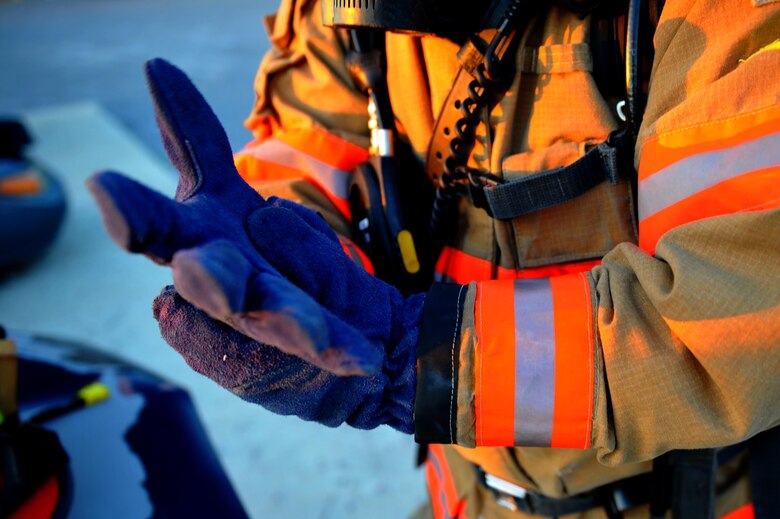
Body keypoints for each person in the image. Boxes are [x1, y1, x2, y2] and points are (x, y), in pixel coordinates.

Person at [87, 0, 780, 517]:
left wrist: (423, 360)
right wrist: (279, 252)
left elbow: (721, 322)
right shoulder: (353, 12)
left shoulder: (717, 16)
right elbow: (315, 139)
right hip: (461, 492)